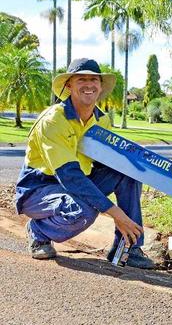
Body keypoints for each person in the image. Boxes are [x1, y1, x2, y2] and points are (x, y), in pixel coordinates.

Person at [14, 58, 154, 269]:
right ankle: (39, 231)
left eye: (93, 80)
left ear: (100, 86)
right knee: (83, 211)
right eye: (81, 79)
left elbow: (106, 164)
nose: (88, 84)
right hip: (39, 189)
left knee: (129, 172)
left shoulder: (101, 120)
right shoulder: (53, 120)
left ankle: (127, 248)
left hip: (77, 182)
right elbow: (69, 175)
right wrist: (115, 213)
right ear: (69, 85)